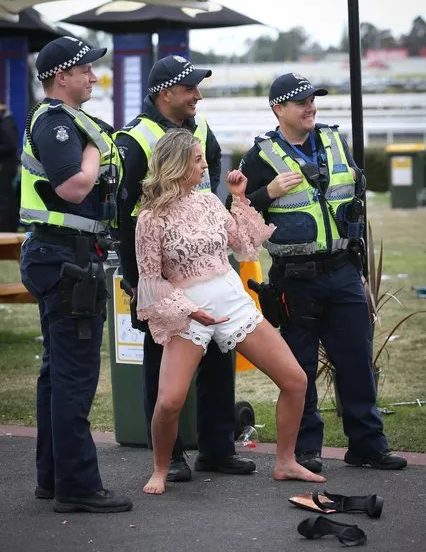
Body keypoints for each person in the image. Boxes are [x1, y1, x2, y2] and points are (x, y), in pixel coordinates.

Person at [135, 127, 326, 494]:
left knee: (295, 380)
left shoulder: (209, 201)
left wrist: (238, 199)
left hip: (232, 301)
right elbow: (150, 282)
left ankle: (286, 462)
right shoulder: (150, 218)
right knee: (170, 400)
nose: (205, 164)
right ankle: (160, 468)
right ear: (175, 165)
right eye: (196, 158)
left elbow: (245, 245)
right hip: (188, 312)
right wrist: (191, 311)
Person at [240, 72, 407, 474]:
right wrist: (268, 194)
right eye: (301, 101)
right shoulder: (258, 157)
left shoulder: (335, 141)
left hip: (343, 271)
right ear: (278, 109)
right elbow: (240, 224)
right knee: (300, 370)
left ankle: (367, 445)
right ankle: (304, 451)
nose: (311, 106)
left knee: (356, 362)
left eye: (313, 99)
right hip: (295, 279)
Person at [114, 55, 256, 482]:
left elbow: (207, 197)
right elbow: (126, 217)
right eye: (189, 88)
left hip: (205, 268)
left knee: (218, 354)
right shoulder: (134, 138)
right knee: (162, 363)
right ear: (164, 93)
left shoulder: (202, 129)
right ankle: (171, 456)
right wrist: (140, 284)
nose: (198, 95)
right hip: (159, 275)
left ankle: (216, 448)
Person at [19, 36, 133, 513]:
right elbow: (72, 187)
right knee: (74, 378)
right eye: (85, 69)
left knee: (56, 375)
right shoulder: (58, 124)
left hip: (60, 254)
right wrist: (91, 151)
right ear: (60, 76)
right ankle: (78, 487)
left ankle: (53, 477)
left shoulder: (64, 120)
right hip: (64, 257)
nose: (93, 76)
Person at [0, 104, 20, 232]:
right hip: (7, 168)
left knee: (5, 199)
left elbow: (11, 145)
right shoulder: (7, 122)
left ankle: (6, 228)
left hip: (6, 169)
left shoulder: (6, 124)